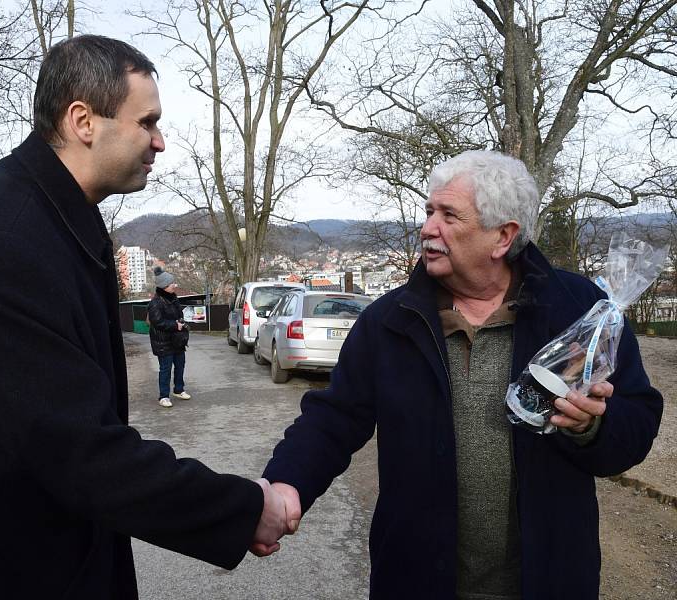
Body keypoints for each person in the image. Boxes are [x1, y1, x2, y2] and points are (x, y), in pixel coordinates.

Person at [0, 35, 296, 600]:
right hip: (0, 575)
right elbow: (76, 449)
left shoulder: (46, 220)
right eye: (146, 121)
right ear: (83, 120)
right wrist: (244, 508)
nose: (160, 141)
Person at [259, 151, 663, 599]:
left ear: (502, 237)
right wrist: (285, 484)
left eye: (449, 216)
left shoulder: (580, 312)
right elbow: (332, 421)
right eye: (429, 211)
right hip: (416, 582)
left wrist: (592, 425)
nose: (428, 228)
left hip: (550, 581)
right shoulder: (389, 321)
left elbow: (639, 422)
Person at [147, 266, 191, 408]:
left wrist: (181, 322)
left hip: (177, 340)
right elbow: (157, 322)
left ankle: (179, 389)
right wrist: (174, 325)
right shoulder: (155, 303)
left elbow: (179, 314)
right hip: (163, 342)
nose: (175, 285)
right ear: (164, 286)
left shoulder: (174, 299)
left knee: (180, 365)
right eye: (172, 283)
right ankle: (164, 396)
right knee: (165, 369)